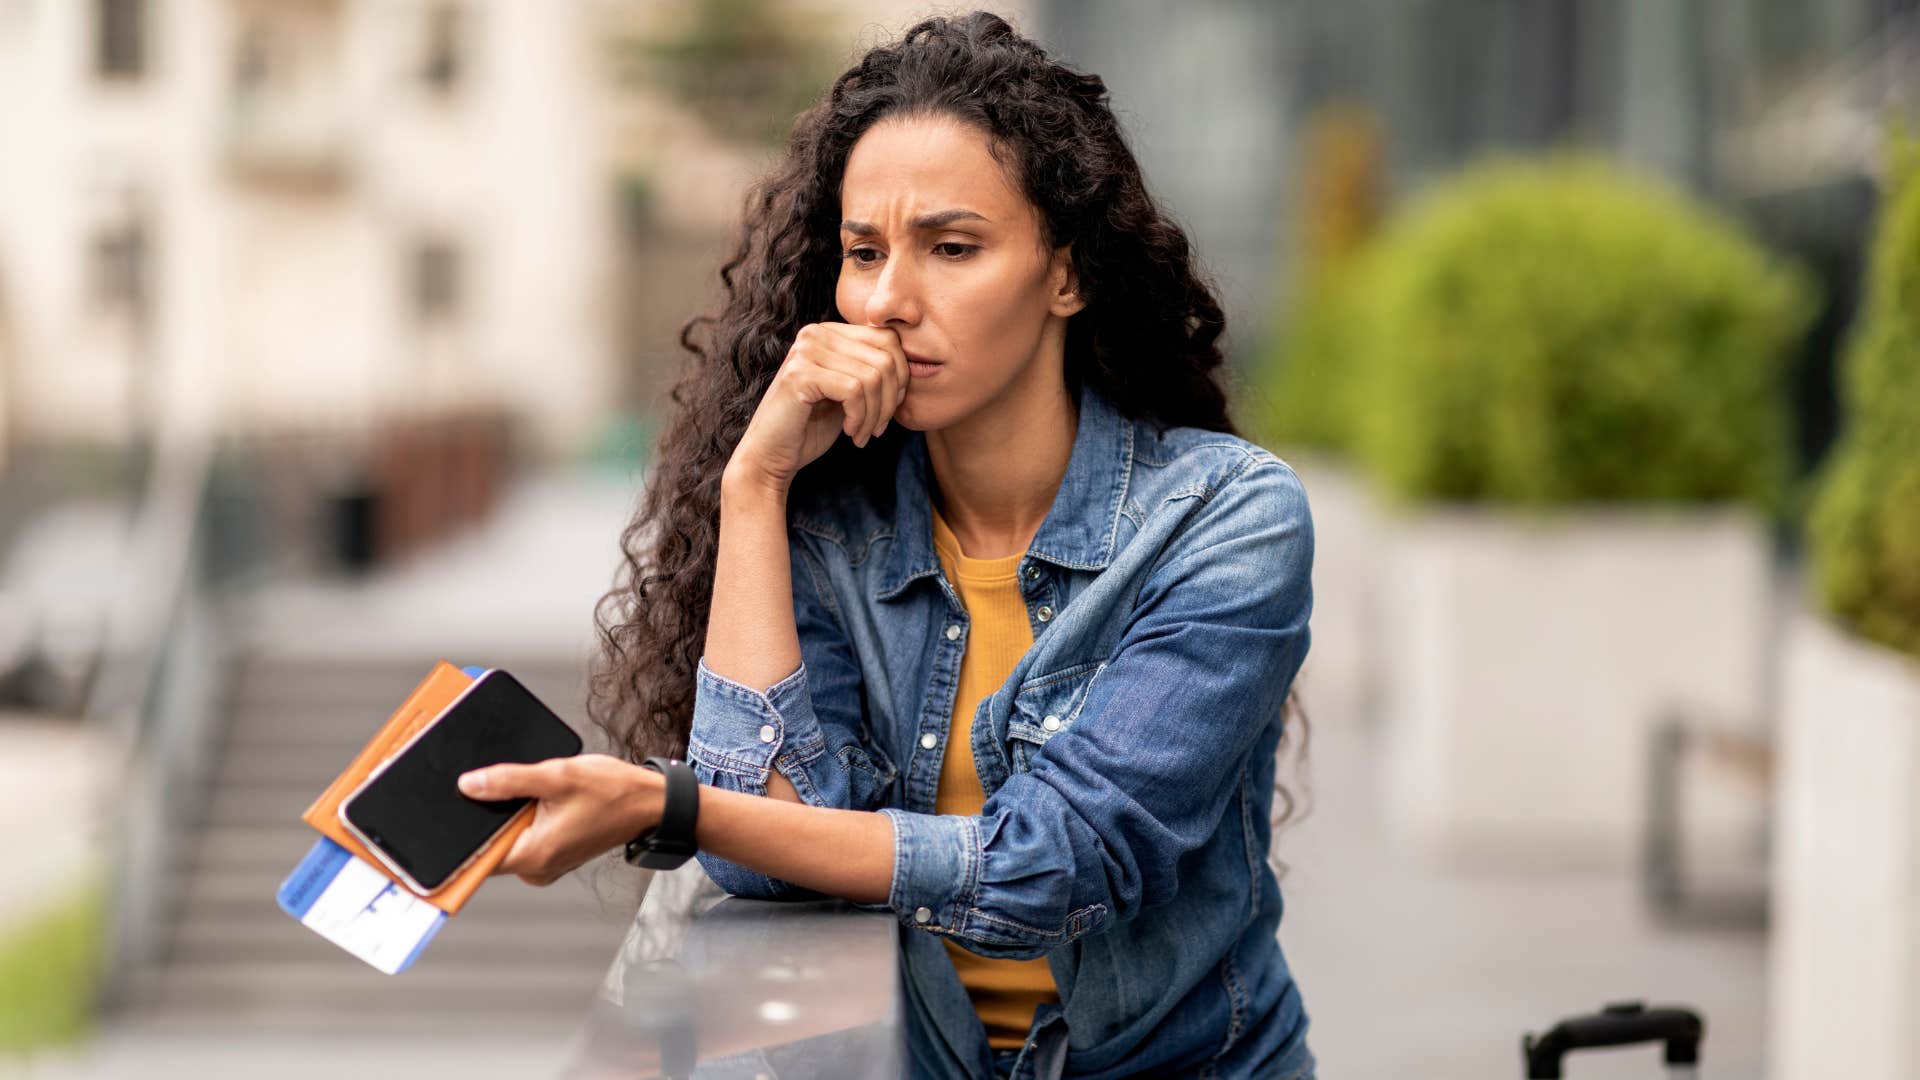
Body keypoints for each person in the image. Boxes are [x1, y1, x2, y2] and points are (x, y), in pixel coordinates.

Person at [456, 12, 1315, 1079]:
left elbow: (1053, 865)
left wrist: (666, 804)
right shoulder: (831, 523)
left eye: (952, 248)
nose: (888, 302)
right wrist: (755, 486)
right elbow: (773, 852)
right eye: (864, 253)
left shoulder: (1226, 519)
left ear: (1068, 274)